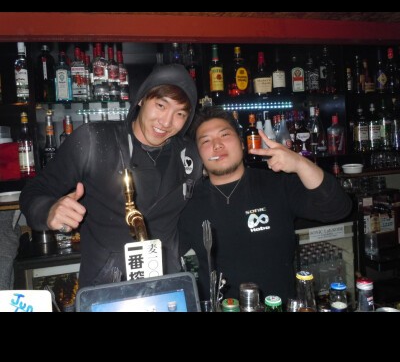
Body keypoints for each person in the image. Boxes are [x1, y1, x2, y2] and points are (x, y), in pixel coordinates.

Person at [20, 64, 203, 288]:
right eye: (160, 105)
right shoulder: (94, 141)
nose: (166, 122)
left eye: (180, 114)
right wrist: (48, 210)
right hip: (104, 287)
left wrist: (173, 257)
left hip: (167, 287)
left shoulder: (190, 155)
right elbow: (33, 192)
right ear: (141, 99)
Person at [178, 107, 353, 303]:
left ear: (242, 143)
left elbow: (337, 209)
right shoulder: (186, 202)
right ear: (198, 154)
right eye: (206, 141)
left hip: (277, 305)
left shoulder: (276, 184)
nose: (217, 145)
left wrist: (300, 163)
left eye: (224, 135)